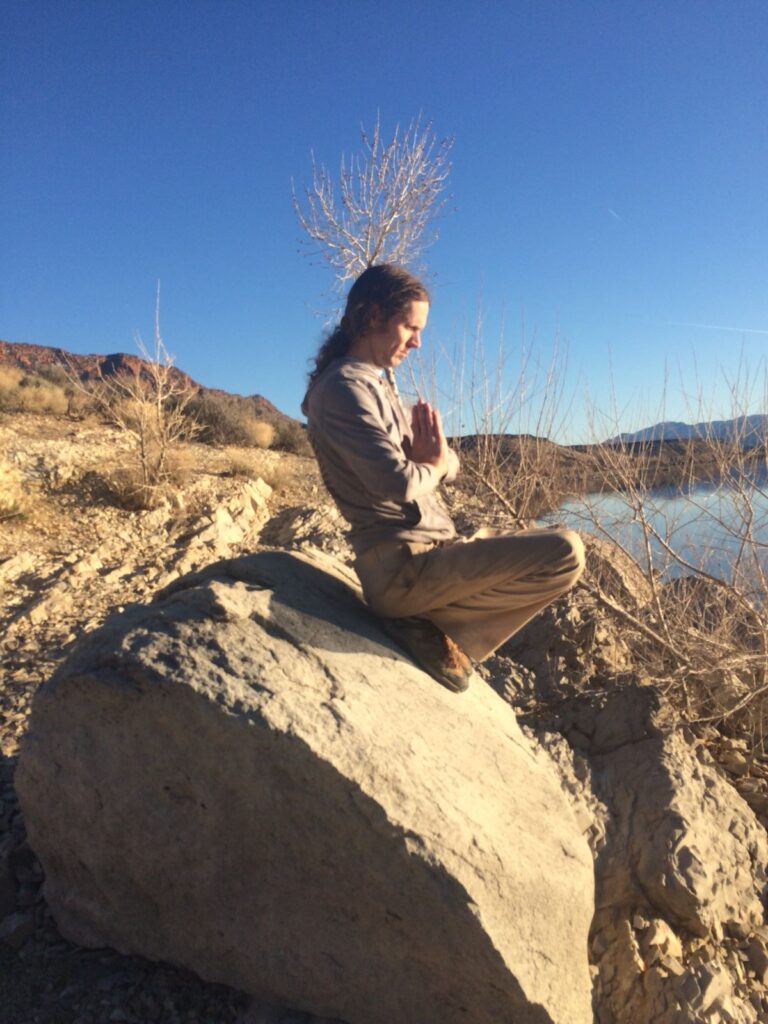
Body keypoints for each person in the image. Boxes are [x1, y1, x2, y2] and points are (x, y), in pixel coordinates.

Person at [301, 264, 585, 693]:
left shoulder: (375, 384)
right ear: (373, 316)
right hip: (402, 569)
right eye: (410, 327)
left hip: (433, 553)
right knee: (565, 551)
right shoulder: (342, 389)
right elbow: (399, 483)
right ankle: (420, 620)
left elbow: (450, 463)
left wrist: (433, 464)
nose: (417, 342)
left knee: (553, 539)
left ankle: (430, 622)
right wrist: (431, 466)